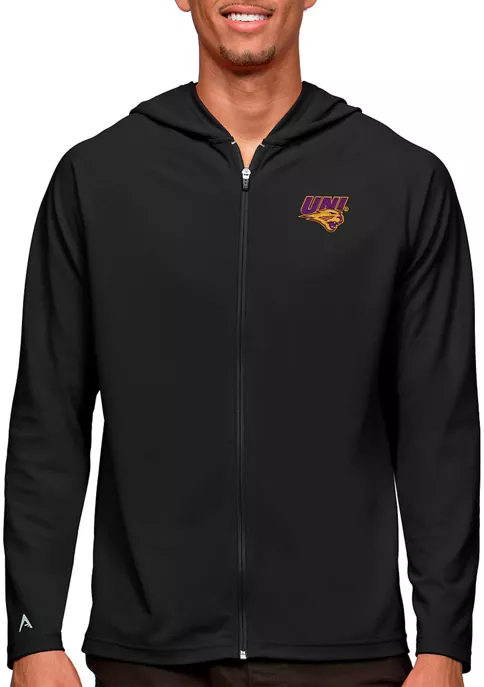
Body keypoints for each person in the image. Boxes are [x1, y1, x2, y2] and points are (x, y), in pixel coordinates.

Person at [4, 1, 480, 686]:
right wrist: (33, 634)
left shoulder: (401, 181)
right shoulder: (97, 178)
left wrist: (444, 643)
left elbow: (440, 429)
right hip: (148, 659)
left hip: (347, 659)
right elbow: (48, 419)